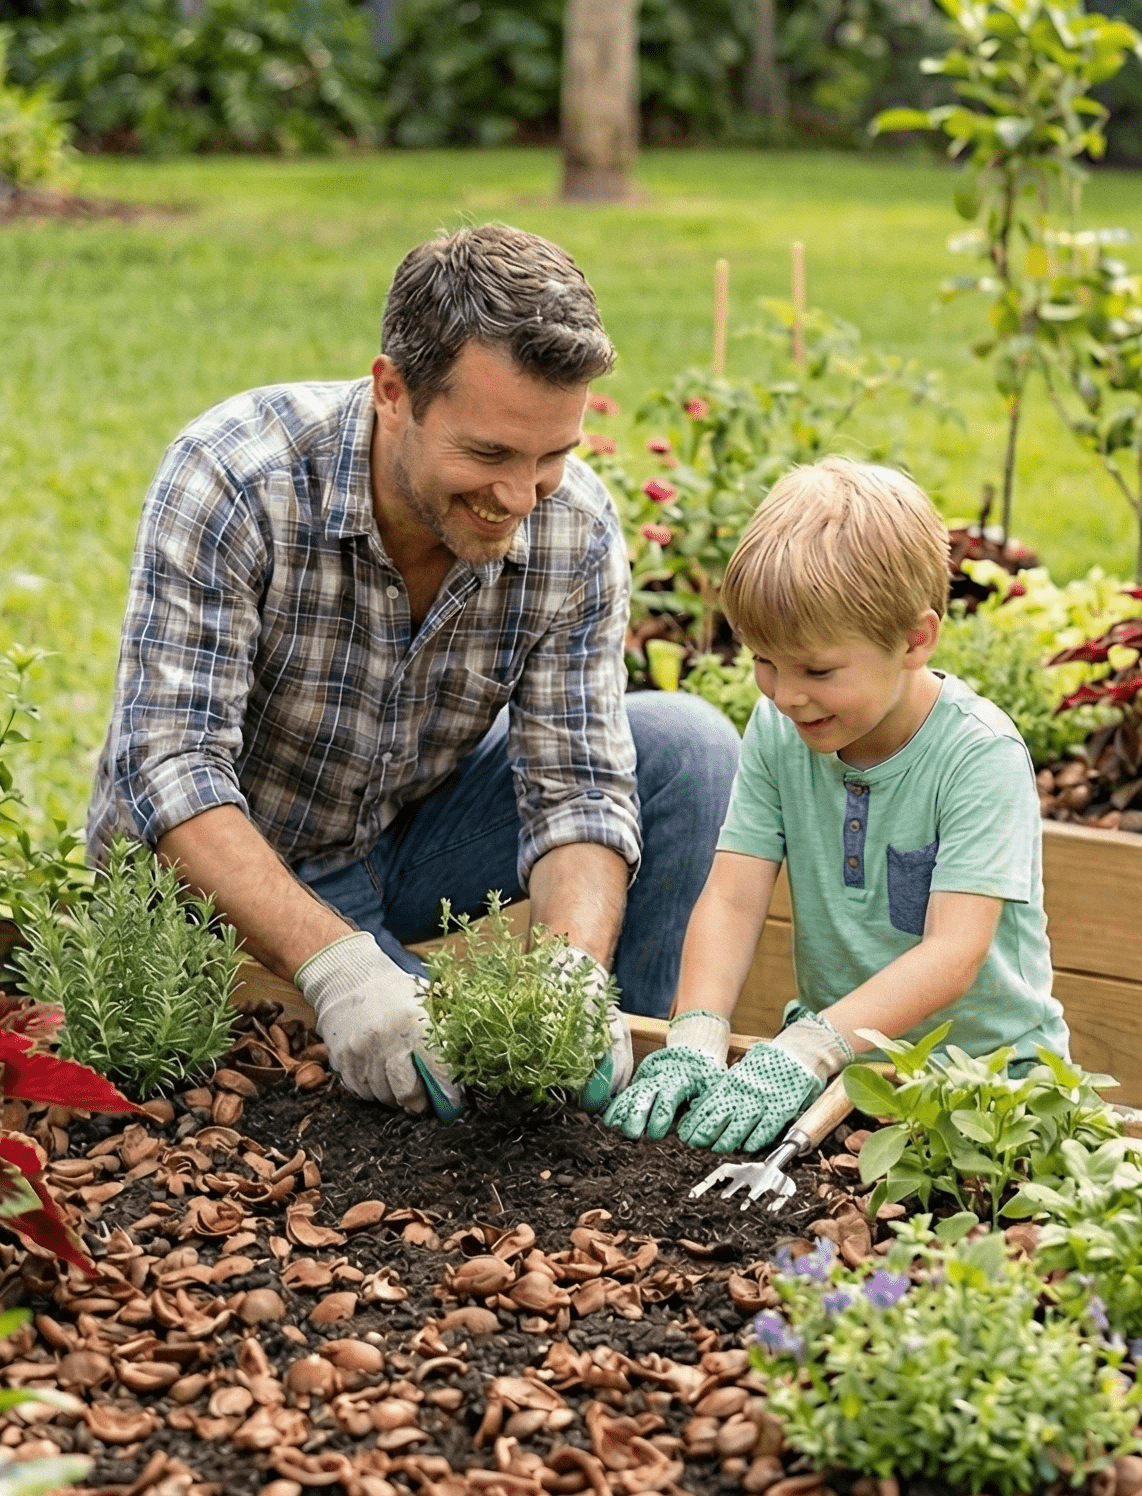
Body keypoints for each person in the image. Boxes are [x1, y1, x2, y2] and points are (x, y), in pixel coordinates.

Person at [88, 222, 739, 1118]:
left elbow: (578, 789)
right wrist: (342, 966)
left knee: (689, 748)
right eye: (489, 454)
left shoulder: (572, 528)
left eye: (553, 455)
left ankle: (629, 1095)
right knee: (440, 1097)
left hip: (402, 835)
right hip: (231, 870)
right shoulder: (238, 476)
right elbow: (168, 770)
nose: (521, 498)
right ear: (393, 392)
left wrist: (568, 972)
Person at [605, 457, 1069, 1152]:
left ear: (915, 640)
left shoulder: (978, 757)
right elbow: (733, 897)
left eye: (818, 670)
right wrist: (698, 1031)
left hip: (991, 1094)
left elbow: (953, 952)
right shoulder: (779, 730)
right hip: (843, 1079)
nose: (785, 694)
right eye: (764, 661)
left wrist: (811, 1047)